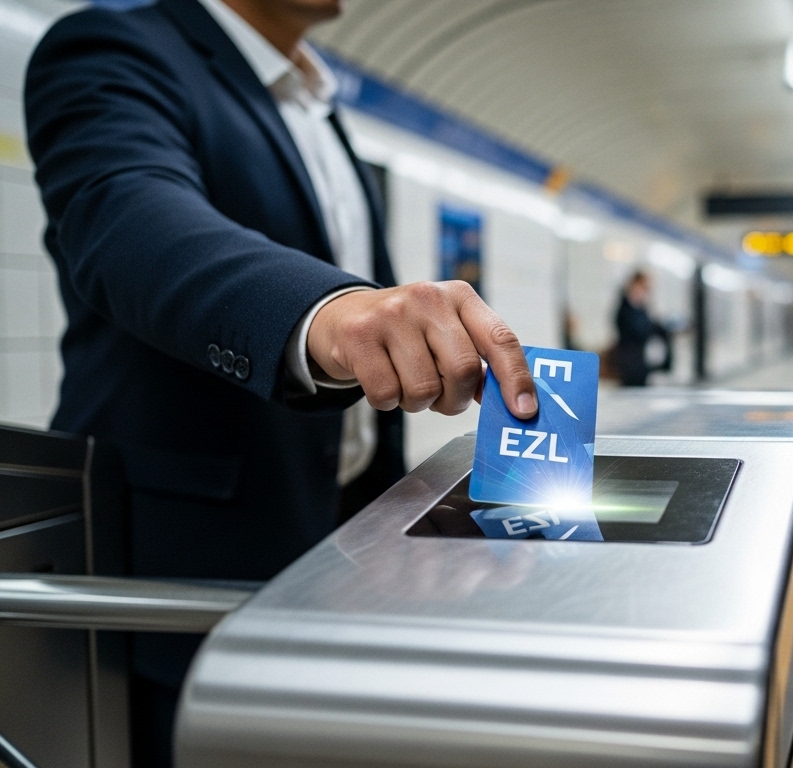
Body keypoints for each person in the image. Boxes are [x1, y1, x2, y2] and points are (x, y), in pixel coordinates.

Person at [24, 0, 539, 763]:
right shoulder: (114, 45)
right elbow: (131, 218)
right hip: (188, 573)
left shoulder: (320, 105)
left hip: (345, 546)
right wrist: (332, 311)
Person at [612, 271, 671, 386]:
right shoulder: (625, 308)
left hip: (641, 361)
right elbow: (637, 330)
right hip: (628, 362)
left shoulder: (642, 309)